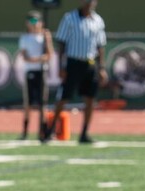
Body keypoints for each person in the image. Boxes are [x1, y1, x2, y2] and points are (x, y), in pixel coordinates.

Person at [41, 0, 107, 145]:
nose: (90, 3)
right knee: (64, 98)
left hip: (90, 63)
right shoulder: (69, 18)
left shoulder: (98, 20)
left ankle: (84, 133)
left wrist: (101, 68)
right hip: (73, 63)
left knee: (90, 99)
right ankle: (50, 131)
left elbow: (100, 45)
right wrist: (61, 67)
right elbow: (62, 43)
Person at [16, 11, 53, 140]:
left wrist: (47, 40)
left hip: (41, 72)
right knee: (28, 103)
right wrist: (39, 59)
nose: (34, 24)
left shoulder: (44, 37)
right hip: (30, 72)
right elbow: (25, 57)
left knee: (43, 103)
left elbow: (49, 55)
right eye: (31, 21)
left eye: (36, 21)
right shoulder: (25, 38)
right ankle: (25, 131)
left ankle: (43, 131)